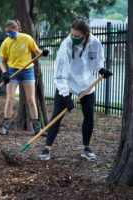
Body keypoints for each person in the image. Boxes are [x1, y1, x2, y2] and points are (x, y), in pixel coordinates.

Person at [38, 19, 112, 160]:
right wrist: (66, 96)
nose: (73, 38)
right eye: (72, 35)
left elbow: (96, 62)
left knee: (89, 114)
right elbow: (60, 74)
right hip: (68, 83)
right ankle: (47, 148)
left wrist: (101, 69)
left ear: (86, 34)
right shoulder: (66, 45)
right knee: (57, 115)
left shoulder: (95, 43)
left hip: (86, 84)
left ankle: (86, 147)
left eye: (77, 36)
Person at [0, 19, 48, 136]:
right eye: (7, 32)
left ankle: (37, 129)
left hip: (27, 71)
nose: (10, 34)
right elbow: (2, 62)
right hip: (12, 71)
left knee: (30, 100)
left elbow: (37, 52)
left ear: (17, 29)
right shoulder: (6, 42)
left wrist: (44, 53)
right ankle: (5, 128)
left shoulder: (27, 38)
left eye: (11, 31)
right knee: (10, 99)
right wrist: (5, 73)